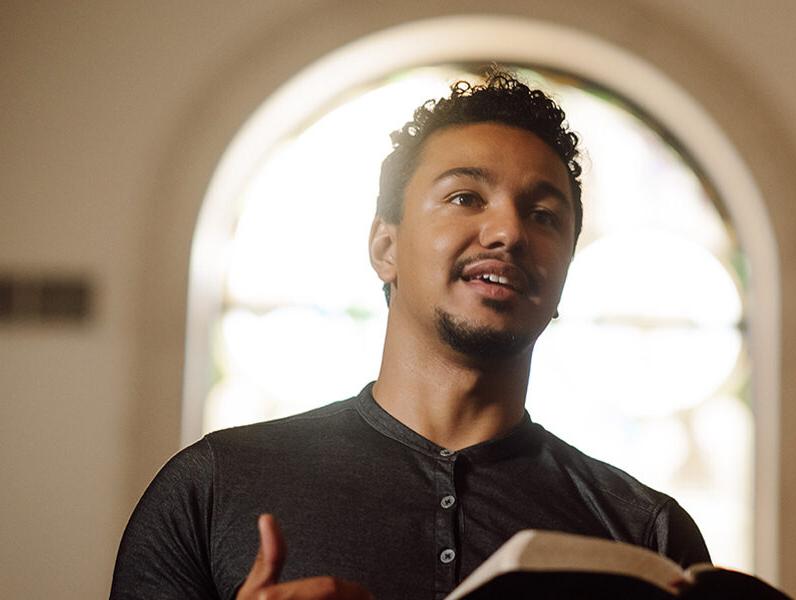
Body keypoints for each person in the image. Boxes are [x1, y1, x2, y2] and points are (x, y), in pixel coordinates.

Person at [111, 70, 709, 600]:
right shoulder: (210, 488)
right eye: (465, 197)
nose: (508, 231)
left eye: (543, 215)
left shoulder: (645, 532)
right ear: (385, 247)